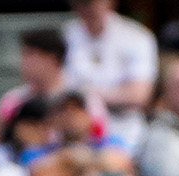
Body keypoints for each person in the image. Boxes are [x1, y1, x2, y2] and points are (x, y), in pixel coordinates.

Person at [63, 0, 157, 149]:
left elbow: (139, 95)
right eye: (80, 3)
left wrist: (89, 94)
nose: (86, 8)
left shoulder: (136, 36)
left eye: (91, 2)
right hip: (73, 132)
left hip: (124, 131)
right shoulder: (66, 35)